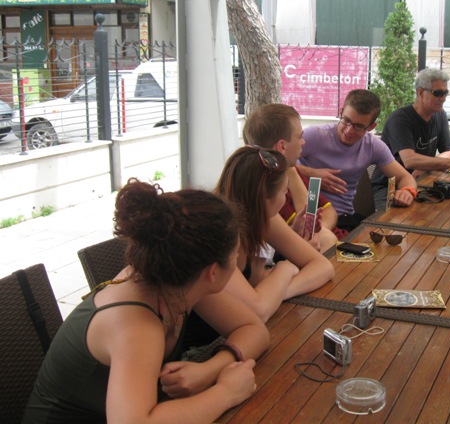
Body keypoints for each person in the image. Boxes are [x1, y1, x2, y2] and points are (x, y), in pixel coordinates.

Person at [22, 179, 269, 424]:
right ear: (213, 272)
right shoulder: (137, 325)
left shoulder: (178, 278)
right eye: (235, 252)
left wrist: (210, 369)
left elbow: (253, 329)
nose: (237, 259)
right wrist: (225, 392)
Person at [214, 146, 335, 322]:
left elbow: (324, 268)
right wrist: (285, 268)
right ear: (265, 199)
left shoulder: (263, 215)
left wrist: (275, 294)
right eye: (285, 191)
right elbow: (259, 310)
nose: (286, 197)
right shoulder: (216, 233)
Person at [297, 89, 418, 231]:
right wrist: (311, 174)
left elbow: (405, 177)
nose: (349, 130)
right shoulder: (315, 135)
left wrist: (407, 191)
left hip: (344, 218)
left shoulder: (373, 146)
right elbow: (277, 162)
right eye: (346, 120)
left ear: (371, 127)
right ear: (341, 112)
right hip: (307, 214)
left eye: (359, 126)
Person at [370, 68, 450, 210]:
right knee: (393, 219)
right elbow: (409, 160)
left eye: (445, 93)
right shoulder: (400, 119)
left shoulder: (440, 115)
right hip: (389, 186)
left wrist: (425, 167)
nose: (443, 98)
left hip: (421, 182)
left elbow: (449, 153)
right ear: (420, 92)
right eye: (438, 93)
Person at [242, 103, 339, 251]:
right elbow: (311, 230)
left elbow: (329, 211)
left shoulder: (291, 170)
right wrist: (318, 232)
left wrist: (321, 228)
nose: (303, 142)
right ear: (282, 146)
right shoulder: (267, 188)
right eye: (300, 136)